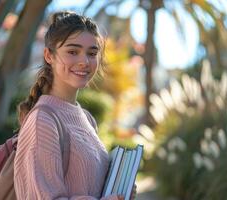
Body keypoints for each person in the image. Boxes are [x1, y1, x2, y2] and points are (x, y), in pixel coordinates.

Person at [14, 11, 136, 200]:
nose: (84, 62)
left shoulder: (86, 118)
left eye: (92, 53)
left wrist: (119, 190)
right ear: (48, 55)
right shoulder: (43, 120)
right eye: (72, 51)